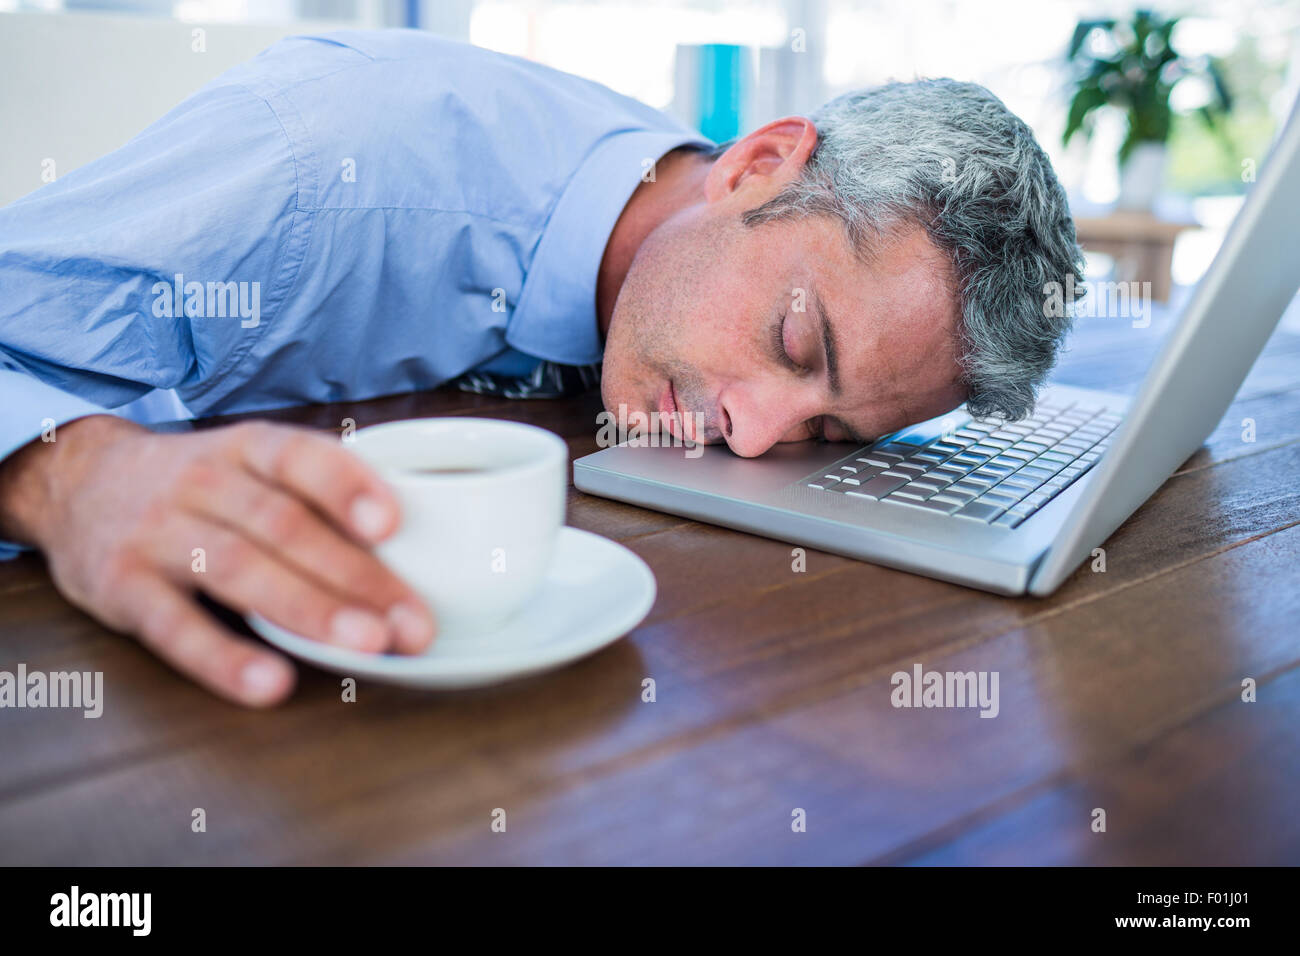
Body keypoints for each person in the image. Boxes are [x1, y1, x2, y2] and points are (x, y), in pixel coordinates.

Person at [0, 30, 1083, 707]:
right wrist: (66, 473)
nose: (752, 437)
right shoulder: (319, 165)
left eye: (828, 433)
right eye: (795, 345)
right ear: (757, 166)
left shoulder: (668, 222)